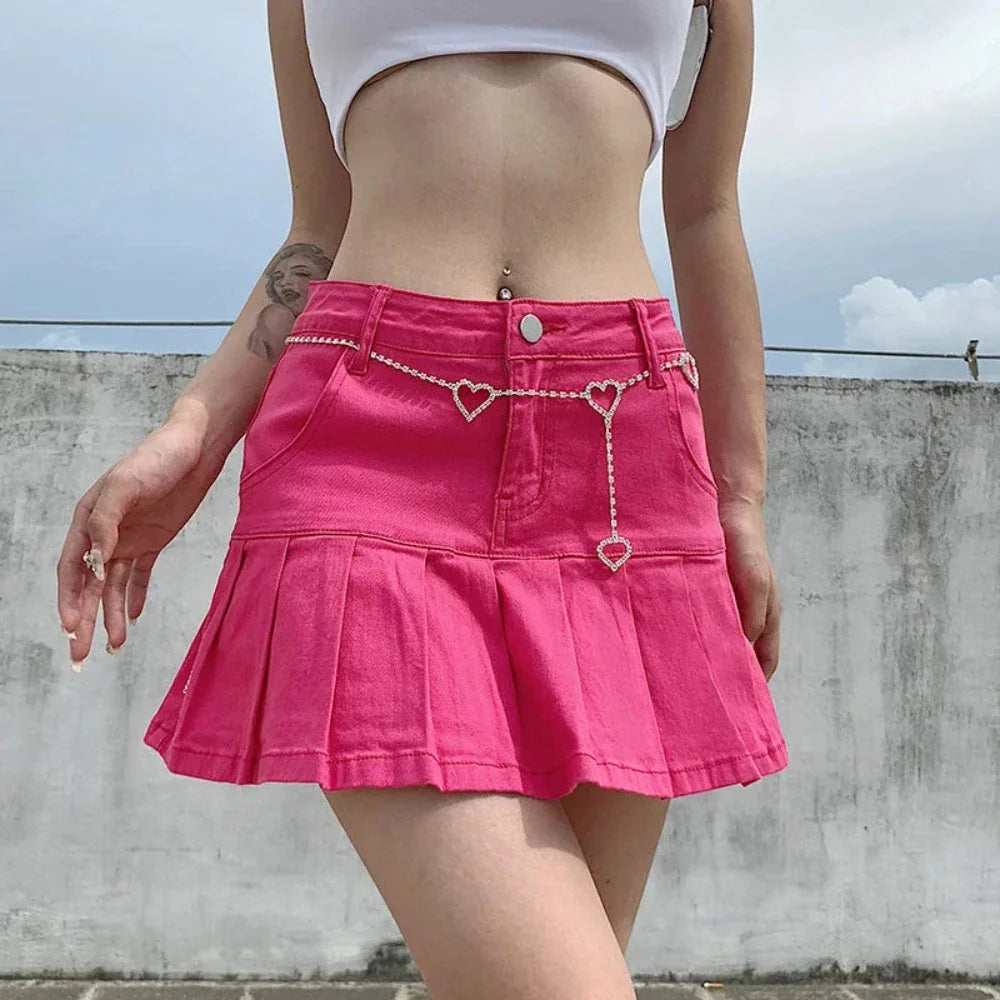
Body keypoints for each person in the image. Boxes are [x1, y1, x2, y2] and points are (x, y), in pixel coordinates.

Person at [56, 1, 788, 996]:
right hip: (369, 437)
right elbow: (317, 231)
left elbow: (705, 213)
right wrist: (194, 428)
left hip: (621, 456)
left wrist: (738, 493)